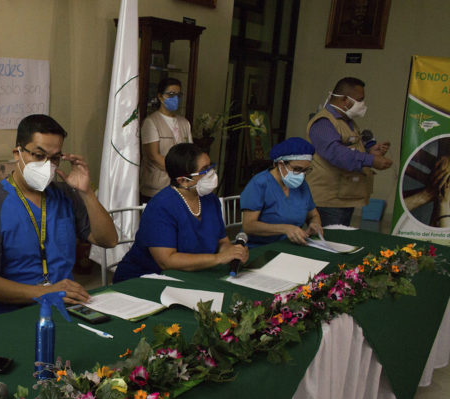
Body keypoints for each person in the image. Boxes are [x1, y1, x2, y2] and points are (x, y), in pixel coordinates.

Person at [0, 114, 118, 319]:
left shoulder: (66, 195)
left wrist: (86, 192)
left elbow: (108, 240)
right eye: (38, 155)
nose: (47, 165)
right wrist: (44, 292)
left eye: (54, 158)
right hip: (11, 315)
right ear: (17, 153)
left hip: (64, 308)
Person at [113, 143, 248, 283]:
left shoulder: (210, 200)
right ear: (183, 180)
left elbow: (222, 241)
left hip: (191, 276)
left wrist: (232, 251)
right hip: (145, 280)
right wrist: (218, 259)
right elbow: (167, 261)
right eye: (204, 171)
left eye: (210, 167)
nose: (212, 174)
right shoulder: (161, 206)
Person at [306, 77, 392, 227]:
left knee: (340, 241)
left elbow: (350, 147)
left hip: (344, 196)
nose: (363, 105)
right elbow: (336, 154)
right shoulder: (324, 122)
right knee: (330, 244)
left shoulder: (346, 121)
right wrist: (371, 160)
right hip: (328, 200)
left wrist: (370, 151)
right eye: (360, 100)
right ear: (345, 99)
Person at [240, 137, 323, 247]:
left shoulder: (301, 185)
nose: (301, 175)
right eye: (297, 169)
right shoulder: (259, 184)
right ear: (280, 164)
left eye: (305, 170)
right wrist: (285, 228)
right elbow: (249, 226)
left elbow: (313, 215)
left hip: (290, 245)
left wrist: (315, 223)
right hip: (260, 247)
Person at [139, 78, 193, 202]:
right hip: (156, 188)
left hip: (180, 188)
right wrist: (179, 172)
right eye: (171, 94)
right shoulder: (151, 122)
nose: (175, 98)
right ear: (160, 96)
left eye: (178, 95)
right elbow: (154, 156)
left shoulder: (184, 123)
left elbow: (190, 153)